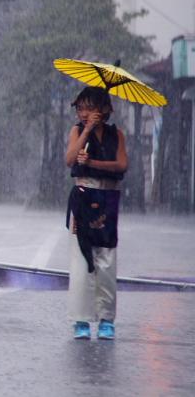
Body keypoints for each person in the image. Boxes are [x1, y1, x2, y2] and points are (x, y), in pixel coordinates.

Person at [64, 86, 127, 341]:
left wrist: (92, 163)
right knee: (81, 259)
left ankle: (106, 320)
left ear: (104, 110)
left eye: (88, 107)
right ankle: (81, 319)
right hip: (82, 196)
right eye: (80, 108)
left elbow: (122, 164)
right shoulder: (77, 131)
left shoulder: (117, 135)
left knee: (107, 260)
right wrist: (87, 131)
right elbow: (70, 160)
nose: (82, 112)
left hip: (108, 198)